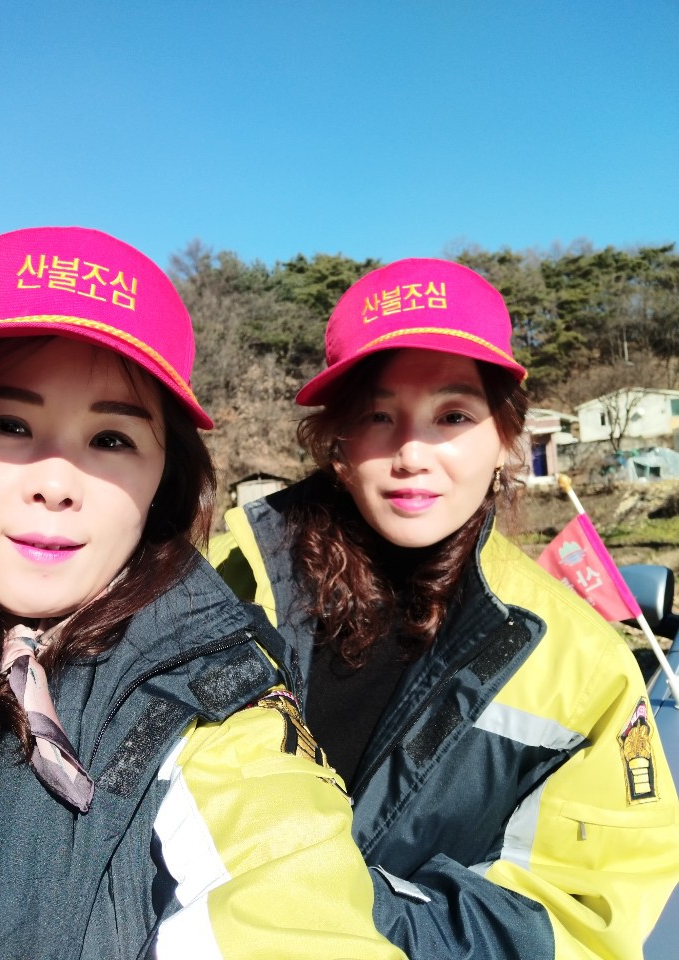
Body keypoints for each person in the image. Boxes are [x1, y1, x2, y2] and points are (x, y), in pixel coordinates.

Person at [210, 258, 679, 960]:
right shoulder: (220, 584)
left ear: (505, 440)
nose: (411, 453)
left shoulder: (586, 667)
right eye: (379, 416)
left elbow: (584, 918)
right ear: (338, 443)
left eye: (453, 416)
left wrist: (334, 917)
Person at [0, 227, 408, 960]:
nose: (57, 482)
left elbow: (289, 896)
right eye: (8, 424)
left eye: (112, 439)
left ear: (163, 479)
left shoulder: (210, 705)